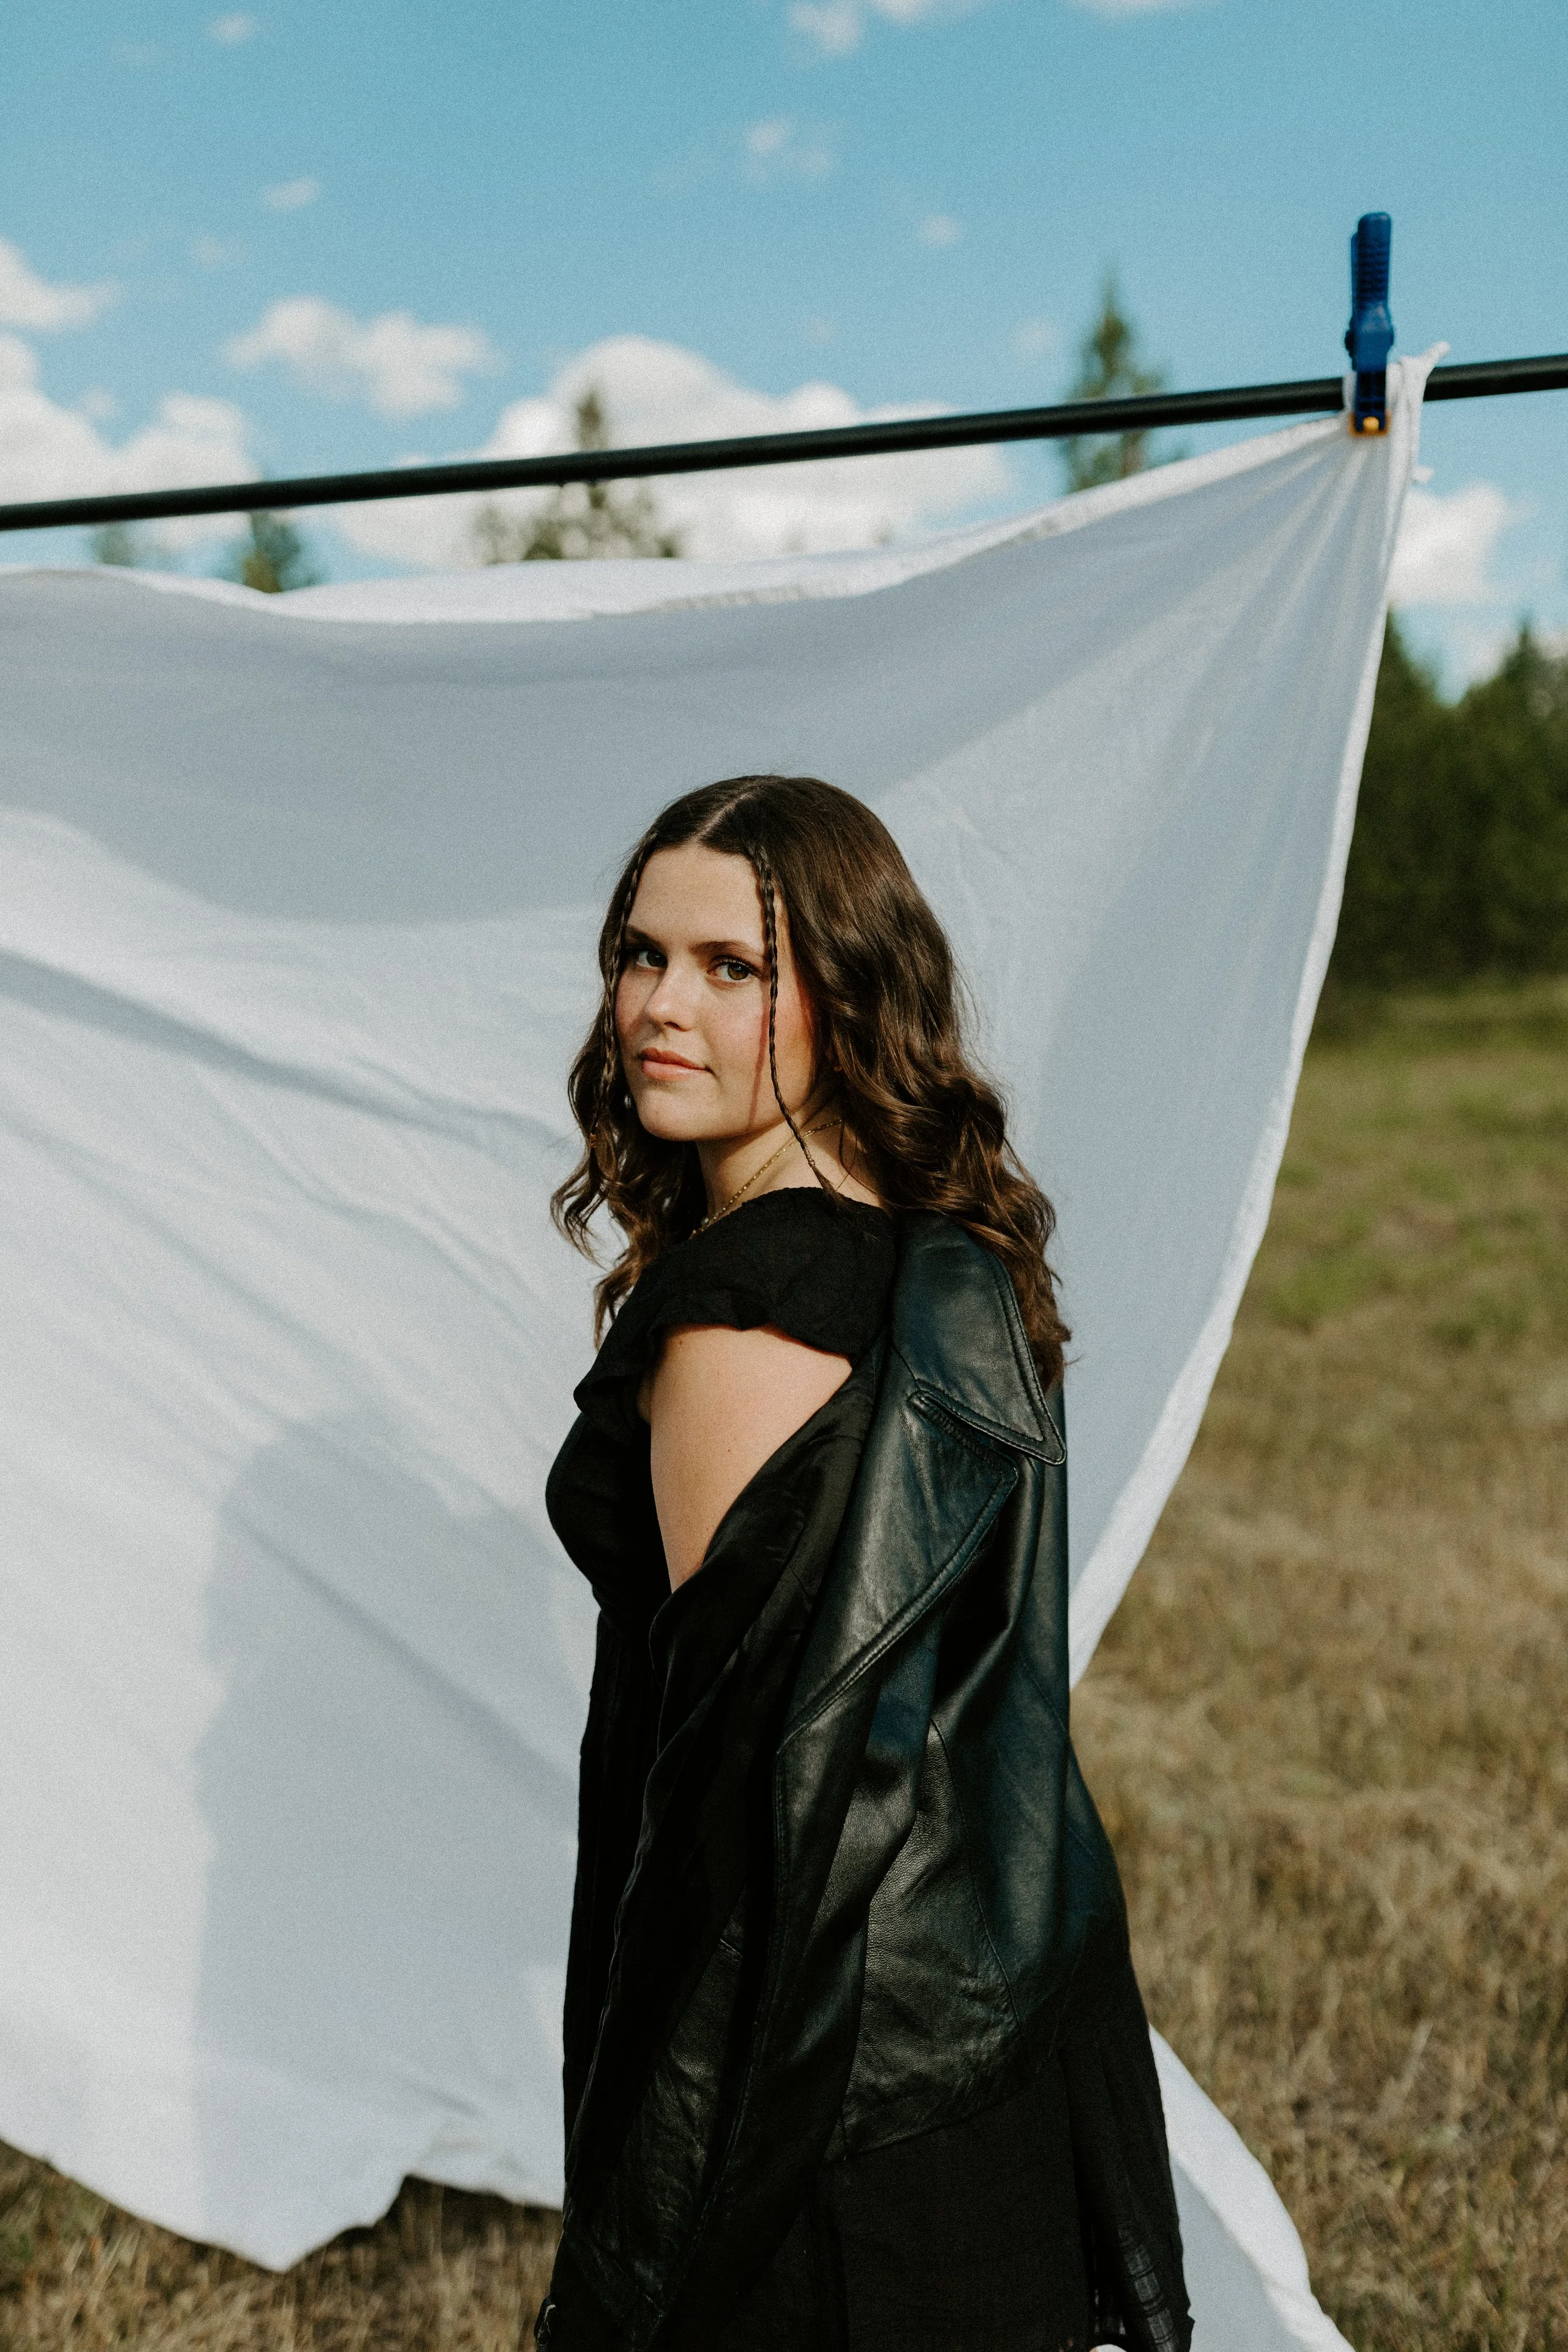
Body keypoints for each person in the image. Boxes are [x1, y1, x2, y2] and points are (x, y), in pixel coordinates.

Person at [534, 775, 1190, 2352]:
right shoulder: (945, 1257)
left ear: (845, 988)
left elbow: (749, 1809)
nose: (658, 1008)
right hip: (978, 2026)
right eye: (639, 955)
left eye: (728, 966)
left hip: (813, 2093)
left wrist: (658, 2211)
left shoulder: (742, 1310)